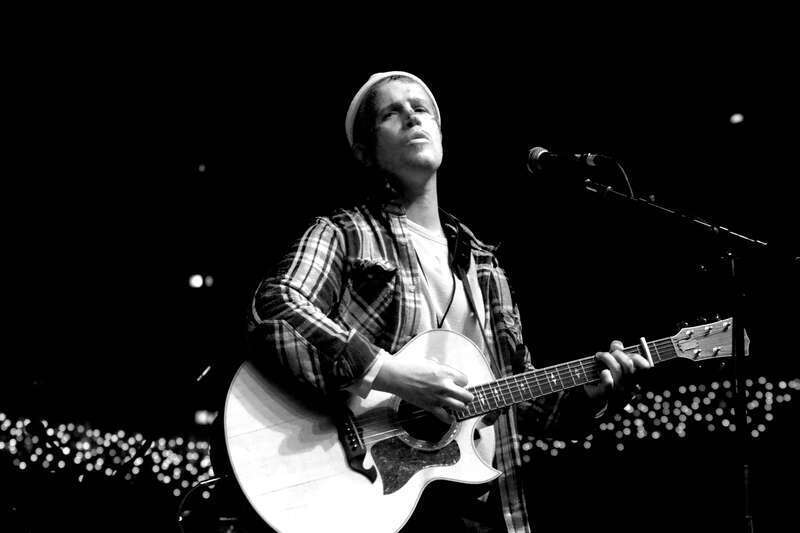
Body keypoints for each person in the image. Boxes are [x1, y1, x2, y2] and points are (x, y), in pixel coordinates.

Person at [247, 71, 651, 532]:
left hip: (480, 510)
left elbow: (519, 396)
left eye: (421, 108)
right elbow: (275, 307)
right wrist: (393, 374)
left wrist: (594, 396)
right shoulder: (345, 232)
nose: (412, 117)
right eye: (391, 113)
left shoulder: (484, 265)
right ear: (365, 151)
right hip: (371, 496)